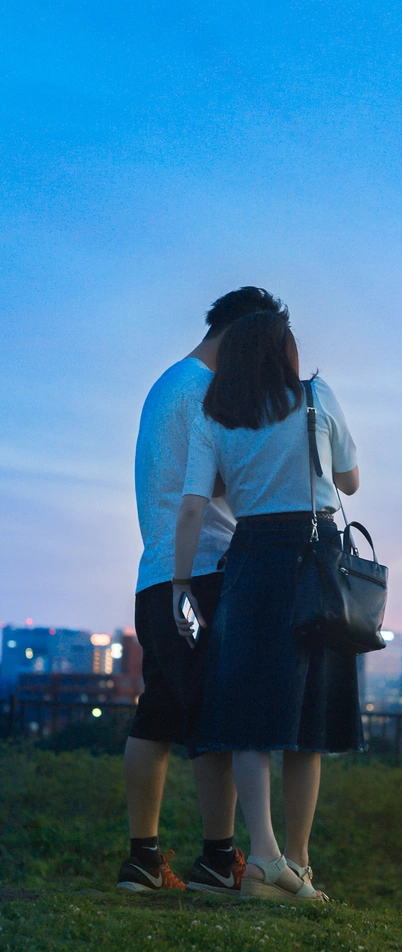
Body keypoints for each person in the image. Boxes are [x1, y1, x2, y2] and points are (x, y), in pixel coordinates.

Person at [173, 307, 363, 902]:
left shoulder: (217, 414)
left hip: (251, 557)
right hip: (315, 557)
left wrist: (180, 585)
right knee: (310, 719)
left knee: (248, 714)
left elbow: (195, 503)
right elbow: (350, 481)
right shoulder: (316, 397)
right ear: (285, 351)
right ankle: (298, 865)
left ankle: (262, 857)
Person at [117, 287, 287, 894]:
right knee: (215, 718)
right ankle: (219, 858)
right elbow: (216, 478)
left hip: (157, 578)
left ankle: (144, 859)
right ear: (242, 334)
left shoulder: (166, 385)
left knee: (159, 715)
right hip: (201, 576)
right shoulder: (205, 391)